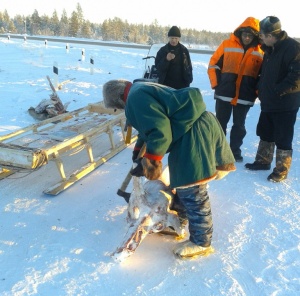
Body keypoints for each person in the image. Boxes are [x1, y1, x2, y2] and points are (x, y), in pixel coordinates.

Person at [102, 80, 236, 259]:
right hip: (197, 125)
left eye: (117, 107)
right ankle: (182, 214)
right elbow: (148, 129)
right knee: (184, 183)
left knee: (192, 189)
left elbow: (159, 130)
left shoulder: (135, 99)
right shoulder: (140, 89)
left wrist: (152, 161)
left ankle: (201, 242)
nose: (119, 109)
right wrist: (138, 154)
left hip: (193, 134)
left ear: (119, 99)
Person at [244, 16, 300, 182]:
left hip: (285, 103)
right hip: (269, 101)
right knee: (265, 131)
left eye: (262, 35)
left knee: (283, 137)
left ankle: (281, 170)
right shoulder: (270, 48)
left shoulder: (293, 48)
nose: (260, 38)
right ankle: (262, 161)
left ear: (270, 35)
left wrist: (277, 90)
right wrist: (261, 88)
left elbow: (297, 75)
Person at [207, 17, 264, 162]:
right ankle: (217, 151)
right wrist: (217, 85)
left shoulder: (260, 52)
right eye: (244, 34)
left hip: (245, 96)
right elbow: (213, 65)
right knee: (220, 124)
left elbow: (262, 76)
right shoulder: (226, 44)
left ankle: (234, 152)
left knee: (239, 126)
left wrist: (255, 92)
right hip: (224, 94)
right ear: (240, 33)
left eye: (250, 35)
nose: (246, 37)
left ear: (254, 37)